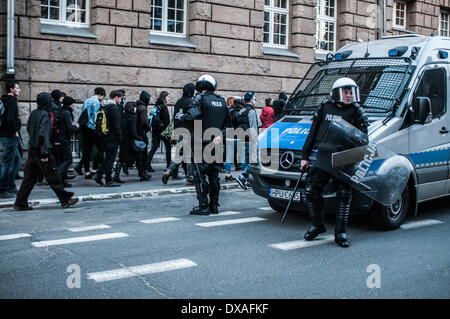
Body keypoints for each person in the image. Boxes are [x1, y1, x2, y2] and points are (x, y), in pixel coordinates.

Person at [300, 77, 369, 248]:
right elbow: (313, 131)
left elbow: (363, 139)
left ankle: (340, 232)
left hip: (344, 158)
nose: (348, 96)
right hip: (322, 157)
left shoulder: (357, 112)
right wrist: (305, 156)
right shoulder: (325, 107)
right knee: (311, 191)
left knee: (344, 195)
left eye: (351, 92)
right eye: (345, 92)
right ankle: (317, 225)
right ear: (337, 92)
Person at [14, 92, 78, 211]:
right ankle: (65, 199)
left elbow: (29, 129)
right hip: (42, 149)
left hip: (33, 148)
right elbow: (43, 134)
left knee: (29, 177)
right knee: (52, 175)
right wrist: (44, 152)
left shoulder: (34, 113)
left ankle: (20, 202)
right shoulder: (46, 115)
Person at [183, 74, 231, 215]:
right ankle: (214, 205)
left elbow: (190, 117)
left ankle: (203, 205)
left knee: (199, 175)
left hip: (201, 143)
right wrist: (219, 135)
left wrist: (183, 117)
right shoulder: (221, 101)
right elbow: (229, 126)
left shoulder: (200, 99)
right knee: (214, 175)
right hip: (217, 144)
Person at [162, 83, 195, 184]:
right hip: (188, 131)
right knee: (189, 155)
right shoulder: (192, 102)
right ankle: (190, 177)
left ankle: (169, 170)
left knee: (180, 153)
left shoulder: (178, 102)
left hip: (178, 130)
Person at [93, 90, 123, 187]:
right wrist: (119, 138)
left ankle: (99, 175)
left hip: (102, 136)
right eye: (121, 98)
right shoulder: (114, 108)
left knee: (107, 158)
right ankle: (108, 180)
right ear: (116, 97)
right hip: (111, 137)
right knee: (110, 159)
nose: (121, 101)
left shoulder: (104, 105)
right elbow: (116, 125)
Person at [77, 87, 106, 179]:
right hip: (92, 128)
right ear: (101, 95)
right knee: (101, 148)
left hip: (84, 128)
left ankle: (86, 172)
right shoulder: (96, 102)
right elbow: (96, 117)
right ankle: (94, 169)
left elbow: (83, 113)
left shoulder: (87, 101)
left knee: (87, 150)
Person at [0, 80, 22, 198]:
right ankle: (3, 189)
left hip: (5, 135)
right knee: (8, 163)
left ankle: (11, 185)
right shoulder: (12, 101)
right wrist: (15, 131)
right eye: (17, 88)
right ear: (11, 89)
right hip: (10, 136)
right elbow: (10, 119)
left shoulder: (4, 100)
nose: (19, 90)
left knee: (16, 160)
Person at [118, 102, 149, 181]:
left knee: (121, 159)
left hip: (123, 140)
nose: (136, 109)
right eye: (135, 107)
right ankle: (142, 175)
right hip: (131, 141)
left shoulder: (123, 116)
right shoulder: (133, 117)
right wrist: (139, 138)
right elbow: (133, 131)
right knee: (138, 158)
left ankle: (116, 176)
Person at [235, 92, 259, 190]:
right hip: (250, 138)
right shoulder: (251, 111)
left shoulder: (242, 110)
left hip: (241, 136)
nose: (255, 101)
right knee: (253, 160)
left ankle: (247, 181)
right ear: (251, 100)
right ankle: (243, 176)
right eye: (254, 99)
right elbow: (253, 126)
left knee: (245, 159)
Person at [55, 96, 79, 187]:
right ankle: (57, 177)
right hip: (64, 139)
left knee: (62, 160)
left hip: (59, 139)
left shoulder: (61, 111)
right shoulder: (67, 113)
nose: (73, 104)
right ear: (70, 103)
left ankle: (62, 181)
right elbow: (69, 128)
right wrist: (77, 127)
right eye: (72, 103)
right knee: (68, 160)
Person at [146, 91, 171, 172]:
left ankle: (147, 164)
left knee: (154, 147)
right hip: (164, 131)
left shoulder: (157, 106)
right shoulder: (163, 107)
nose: (169, 98)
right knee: (168, 148)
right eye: (167, 97)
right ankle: (169, 166)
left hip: (156, 131)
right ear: (164, 98)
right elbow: (166, 121)